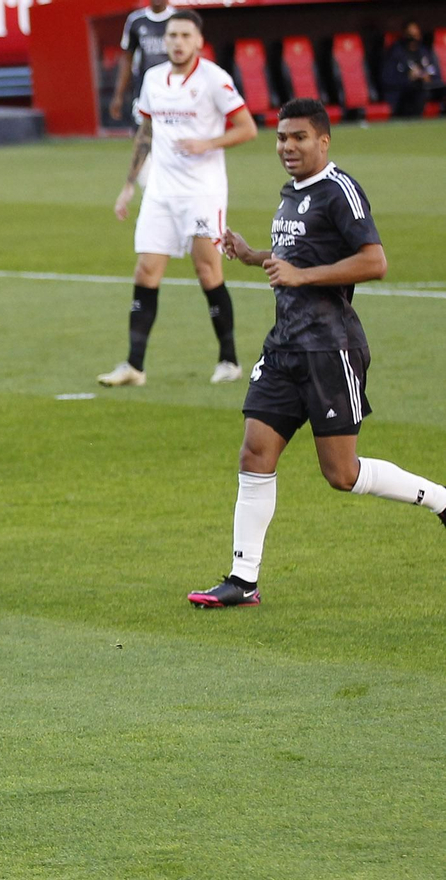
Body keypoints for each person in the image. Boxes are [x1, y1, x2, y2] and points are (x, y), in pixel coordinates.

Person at [190, 98, 446, 608]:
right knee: (255, 452)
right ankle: (243, 580)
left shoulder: (339, 191)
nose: (287, 146)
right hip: (284, 345)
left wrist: (301, 276)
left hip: (331, 350)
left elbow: (375, 262)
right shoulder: (292, 193)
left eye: (299, 137)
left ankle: (443, 500)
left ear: (323, 141)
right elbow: (295, 255)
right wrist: (252, 255)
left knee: (342, 475)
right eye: (282, 137)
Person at [100, 10, 257, 388]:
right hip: (161, 191)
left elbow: (247, 128)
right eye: (172, 35)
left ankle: (229, 360)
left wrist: (209, 142)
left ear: (199, 41)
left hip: (202, 192)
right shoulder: (153, 79)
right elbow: (146, 132)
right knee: (146, 271)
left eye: (186, 35)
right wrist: (128, 184)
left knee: (207, 271)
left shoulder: (214, 80)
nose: (177, 42)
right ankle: (134, 366)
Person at [108, 1, 174, 125]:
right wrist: (118, 95)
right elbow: (127, 58)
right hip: (144, 87)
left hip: (173, 87)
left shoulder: (178, 18)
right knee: (142, 131)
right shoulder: (136, 20)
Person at [381, 22, 442, 118]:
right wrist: (409, 77)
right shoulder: (395, 53)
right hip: (402, 95)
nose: (413, 40)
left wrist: (428, 78)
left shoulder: (424, 52)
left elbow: (436, 76)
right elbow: (387, 79)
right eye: (410, 36)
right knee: (418, 92)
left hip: (426, 90)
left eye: (416, 36)